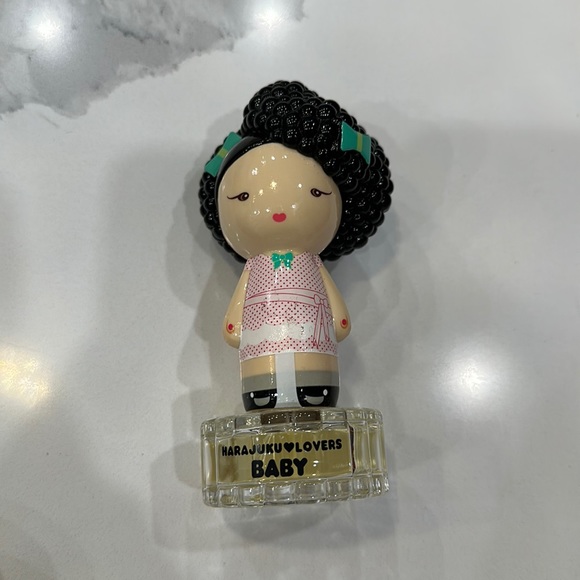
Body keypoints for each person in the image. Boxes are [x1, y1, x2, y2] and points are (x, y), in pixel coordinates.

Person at [199, 81, 393, 411]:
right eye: (243, 197)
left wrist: (337, 318)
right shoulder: (256, 266)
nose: (277, 211)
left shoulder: (311, 263)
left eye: (316, 193)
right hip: (261, 342)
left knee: (313, 375)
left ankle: (313, 390)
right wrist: (234, 321)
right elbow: (241, 297)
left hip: (312, 336)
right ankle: (263, 394)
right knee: (264, 376)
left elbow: (330, 301)